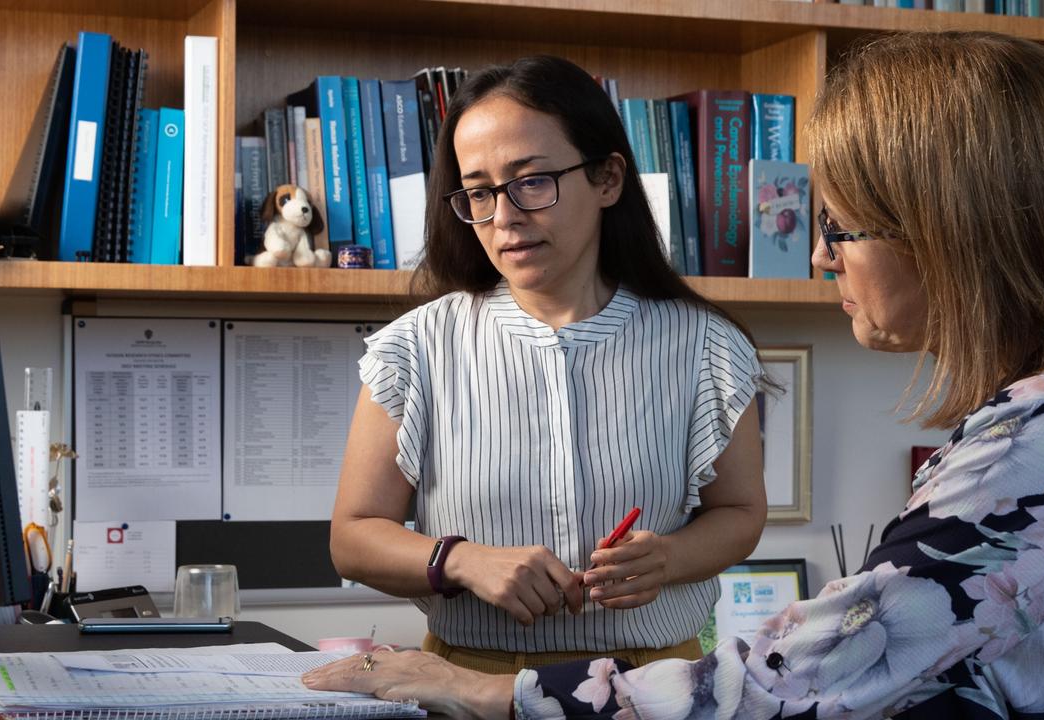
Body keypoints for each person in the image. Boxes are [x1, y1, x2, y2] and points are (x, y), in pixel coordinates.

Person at [304, 31, 1044, 718]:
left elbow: (793, 680)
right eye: (477, 193)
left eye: (841, 227)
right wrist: (459, 583)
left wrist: (486, 693)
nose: (819, 257)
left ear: (957, 238)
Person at [328, 54, 770, 673]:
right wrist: (460, 560)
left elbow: (740, 512)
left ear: (608, 178)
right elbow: (353, 536)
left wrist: (668, 557)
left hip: (656, 685)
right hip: (467, 682)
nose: (504, 218)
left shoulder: (707, 345)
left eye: (532, 181)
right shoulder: (415, 347)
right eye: (479, 192)